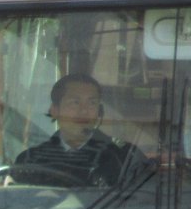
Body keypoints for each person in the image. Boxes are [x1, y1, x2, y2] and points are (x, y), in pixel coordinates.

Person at [15, 73, 148, 186]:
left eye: (92, 103)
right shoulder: (30, 161)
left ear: (99, 111)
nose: (84, 111)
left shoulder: (124, 158)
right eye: (75, 102)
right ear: (54, 110)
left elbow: (138, 208)